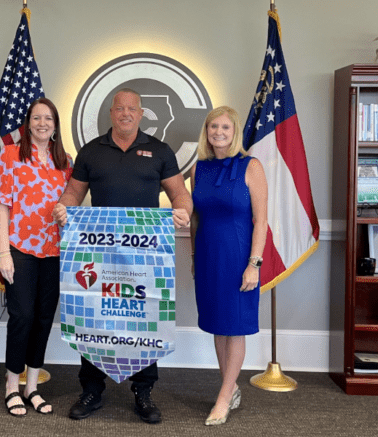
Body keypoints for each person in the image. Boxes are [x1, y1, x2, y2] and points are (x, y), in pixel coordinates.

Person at [53, 88, 192, 424]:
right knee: (96, 315)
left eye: (132, 109)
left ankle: (143, 392)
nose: (125, 114)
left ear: (141, 114)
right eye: (119, 109)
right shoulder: (91, 151)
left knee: (144, 316)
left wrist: (184, 212)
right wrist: (63, 208)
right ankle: (91, 390)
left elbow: (179, 195)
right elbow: (73, 192)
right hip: (99, 253)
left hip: (144, 255)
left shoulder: (159, 151)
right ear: (111, 113)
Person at [0, 97, 73, 417]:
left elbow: (72, 204)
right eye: (37, 118)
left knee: (42, 319)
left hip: (54, 252)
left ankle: (32, 387)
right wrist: (3, 251)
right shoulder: (12, 155)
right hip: (20, 250)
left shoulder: (65, 161)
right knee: (22, 317)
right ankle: (12, 386)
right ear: (27, 123)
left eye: (48, 119)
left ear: (55, 125)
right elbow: (1, 205)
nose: (42, 123)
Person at [189, 106, 268, 426]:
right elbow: (195, 218)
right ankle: (230, 386)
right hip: (208, 256)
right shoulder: (198, 169)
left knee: (234, 326)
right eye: (213, 127)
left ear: (235, 132)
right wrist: (194, 257)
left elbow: (261, 221)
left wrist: (254, 264)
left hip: (238, 257)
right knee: (218, 324)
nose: (218, 132)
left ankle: (223, 397)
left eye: (225, 127)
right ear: (206, 132)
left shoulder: (252, 166)